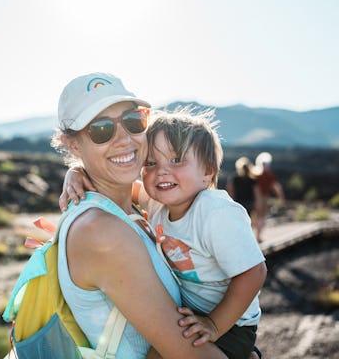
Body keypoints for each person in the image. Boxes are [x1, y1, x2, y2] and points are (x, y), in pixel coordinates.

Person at [61, 105, 267, 359]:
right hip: (194, 313)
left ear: (208, 171)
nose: (162, 171)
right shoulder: (159, 202)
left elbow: (254, 272)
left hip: (231, 324)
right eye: (151, 162)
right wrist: (76, 172)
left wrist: (214, 324)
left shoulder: (215, 212)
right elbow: (112, 187)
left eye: (176, 159)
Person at [253, 152, 285, 243]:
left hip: (254, 199)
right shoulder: (268, 175)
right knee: (261, 217)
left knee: (255, 218)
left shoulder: (255, 173)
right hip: (262, 198)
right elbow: (276, 187)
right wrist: (280, 197)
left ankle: (256, 237)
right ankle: (258, 237)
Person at [226, 156, 260, 221]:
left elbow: (230, 191)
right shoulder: (253, 180)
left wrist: (231, 202)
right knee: (247, 220)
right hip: (249, 204)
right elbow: (256, 194)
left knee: (237, 220)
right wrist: (257, 205)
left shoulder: (234, 179)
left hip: (238, 203)